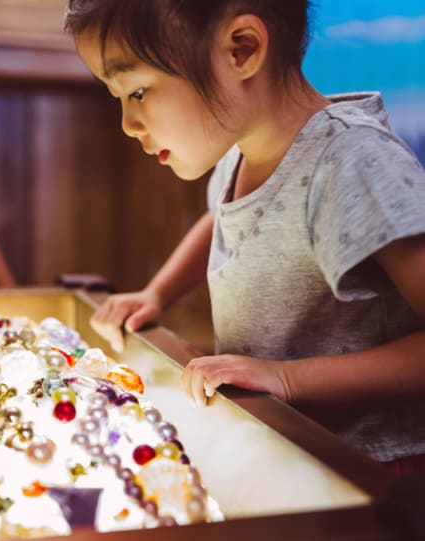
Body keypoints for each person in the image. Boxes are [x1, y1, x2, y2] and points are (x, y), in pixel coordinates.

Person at [65, 0, 425, 473]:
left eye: (135, 92)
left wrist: (287, 380)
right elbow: (224, 218)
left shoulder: (351, 162)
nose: (128, 125)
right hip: (285, 451)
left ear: (242, 50)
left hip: (374, 479)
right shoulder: (242, 153)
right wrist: (158, 294)